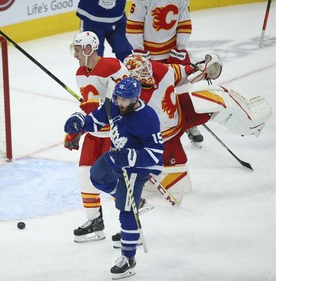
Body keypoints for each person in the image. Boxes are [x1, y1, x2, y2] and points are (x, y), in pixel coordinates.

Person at [110, 52, 223, 247]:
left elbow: (181, 72)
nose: (148, 73)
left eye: (147, 67)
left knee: (214, 100)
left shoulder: (160, 70)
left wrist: (197, 68)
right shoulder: (130, 96)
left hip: (178, 118)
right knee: (178, 183)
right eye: (141, 71)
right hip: (162, 138)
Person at [64, 77, 164, 279]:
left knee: (126, 210)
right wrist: (81, 121)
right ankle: (131, 200)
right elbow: (97, 119)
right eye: (118, 99)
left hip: (136, 168)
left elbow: (156, 155)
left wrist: (131, 157)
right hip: (116, 157)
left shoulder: (148, 117)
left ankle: (128, 259)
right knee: (96, 175)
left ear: (136, 98)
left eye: (125, 100)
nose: (121, 103)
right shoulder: (115, 103)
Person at [64, 30, 130, 243]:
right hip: (94, 133)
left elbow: (124, 100)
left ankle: (130, 225)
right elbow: (89, 109)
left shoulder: (113, 66)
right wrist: (76, 131)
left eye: (77, 49)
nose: (74, 54)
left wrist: (100, 106)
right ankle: (95, 223)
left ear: (88, 48)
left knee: (112, 180)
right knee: (85, 176)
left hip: (114, 133)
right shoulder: (80, 74)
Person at [125, 0, 204, 145]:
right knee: (148, 94)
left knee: (182, 90)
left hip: (173, 53)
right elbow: (133, 26)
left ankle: (190, 123)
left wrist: (180, 49)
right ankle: (146, 127)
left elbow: (184, 23)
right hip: (148, 57)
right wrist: (139, 51)